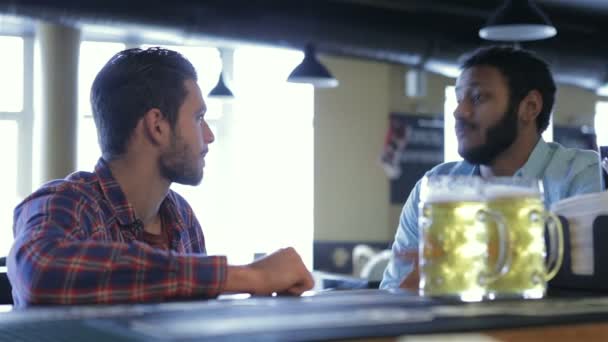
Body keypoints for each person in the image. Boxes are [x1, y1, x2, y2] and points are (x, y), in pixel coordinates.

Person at [7, 47, 314, 307]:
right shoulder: (66, 202)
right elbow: (41, 271)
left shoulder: (182, 218)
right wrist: (248, 276)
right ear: (157, 125)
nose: (208, 136)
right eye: (198, 118)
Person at [381, 46, 604, 290]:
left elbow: (589, 290)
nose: (458, 111)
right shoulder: (433, 186)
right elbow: (393, 290)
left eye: (477, 98)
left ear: (529, 107)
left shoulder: (581, 172)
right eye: (458, 100)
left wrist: (459, 264)